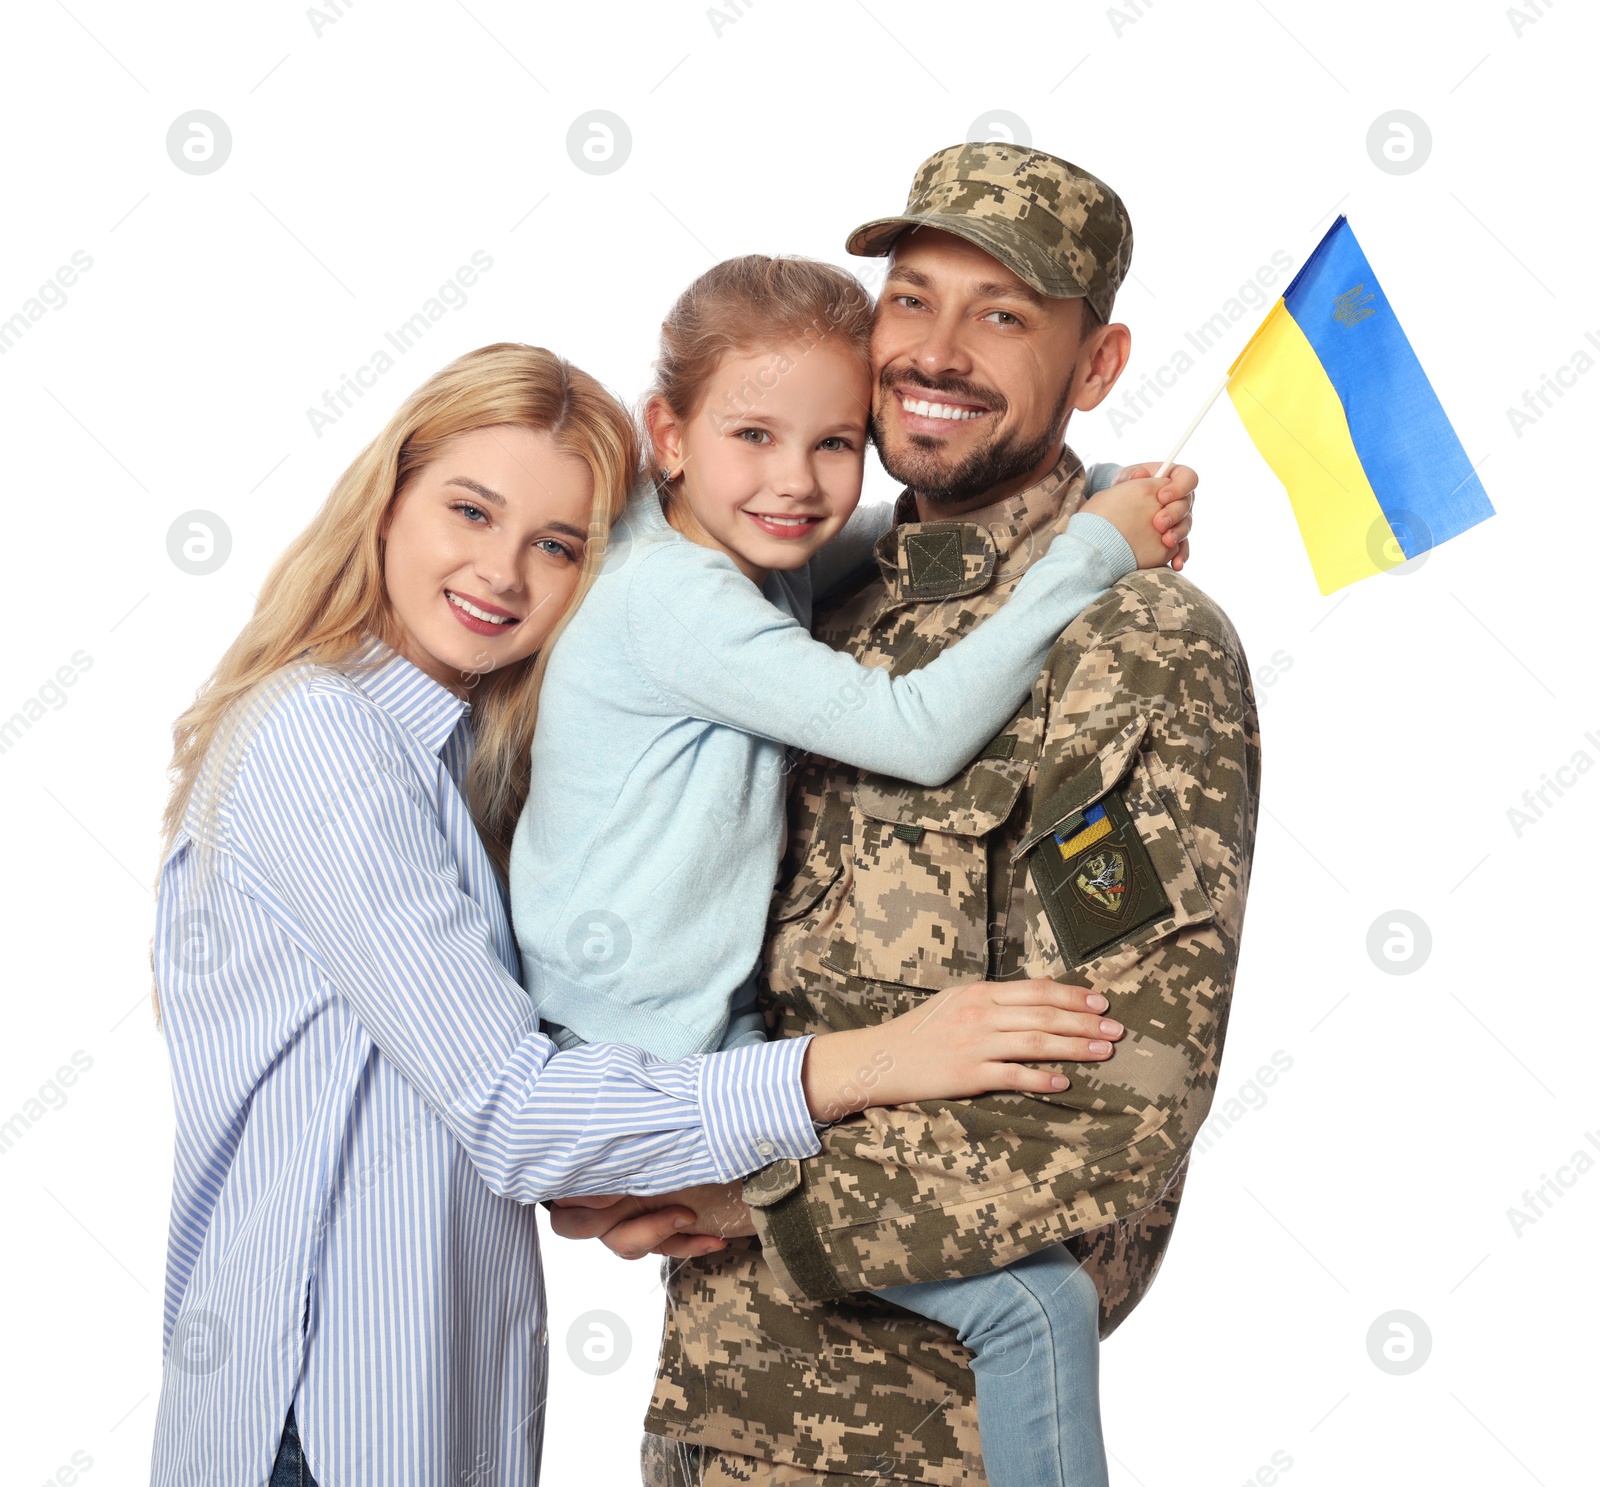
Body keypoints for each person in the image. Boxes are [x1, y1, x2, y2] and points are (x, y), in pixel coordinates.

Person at [148, 342, 1144, 1487]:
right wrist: (878, 1060)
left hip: (429, 1413)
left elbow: (470, 1107)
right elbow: (514, 1110)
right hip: (318, 1421)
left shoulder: (455, 749)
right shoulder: (320, 739)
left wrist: (623, 1169)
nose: (503, 573)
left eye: (557, 544)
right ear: (388, 501)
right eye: (469, 511)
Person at [551, 143, 1262, 1487]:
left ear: (1096, 367)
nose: (938, 350)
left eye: (1003, 314)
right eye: (913, 298)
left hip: (930, 1438)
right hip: (713, 1413)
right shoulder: (800, 579)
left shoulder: (1126, 646)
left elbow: (1122, 1094)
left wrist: (740, 1185)